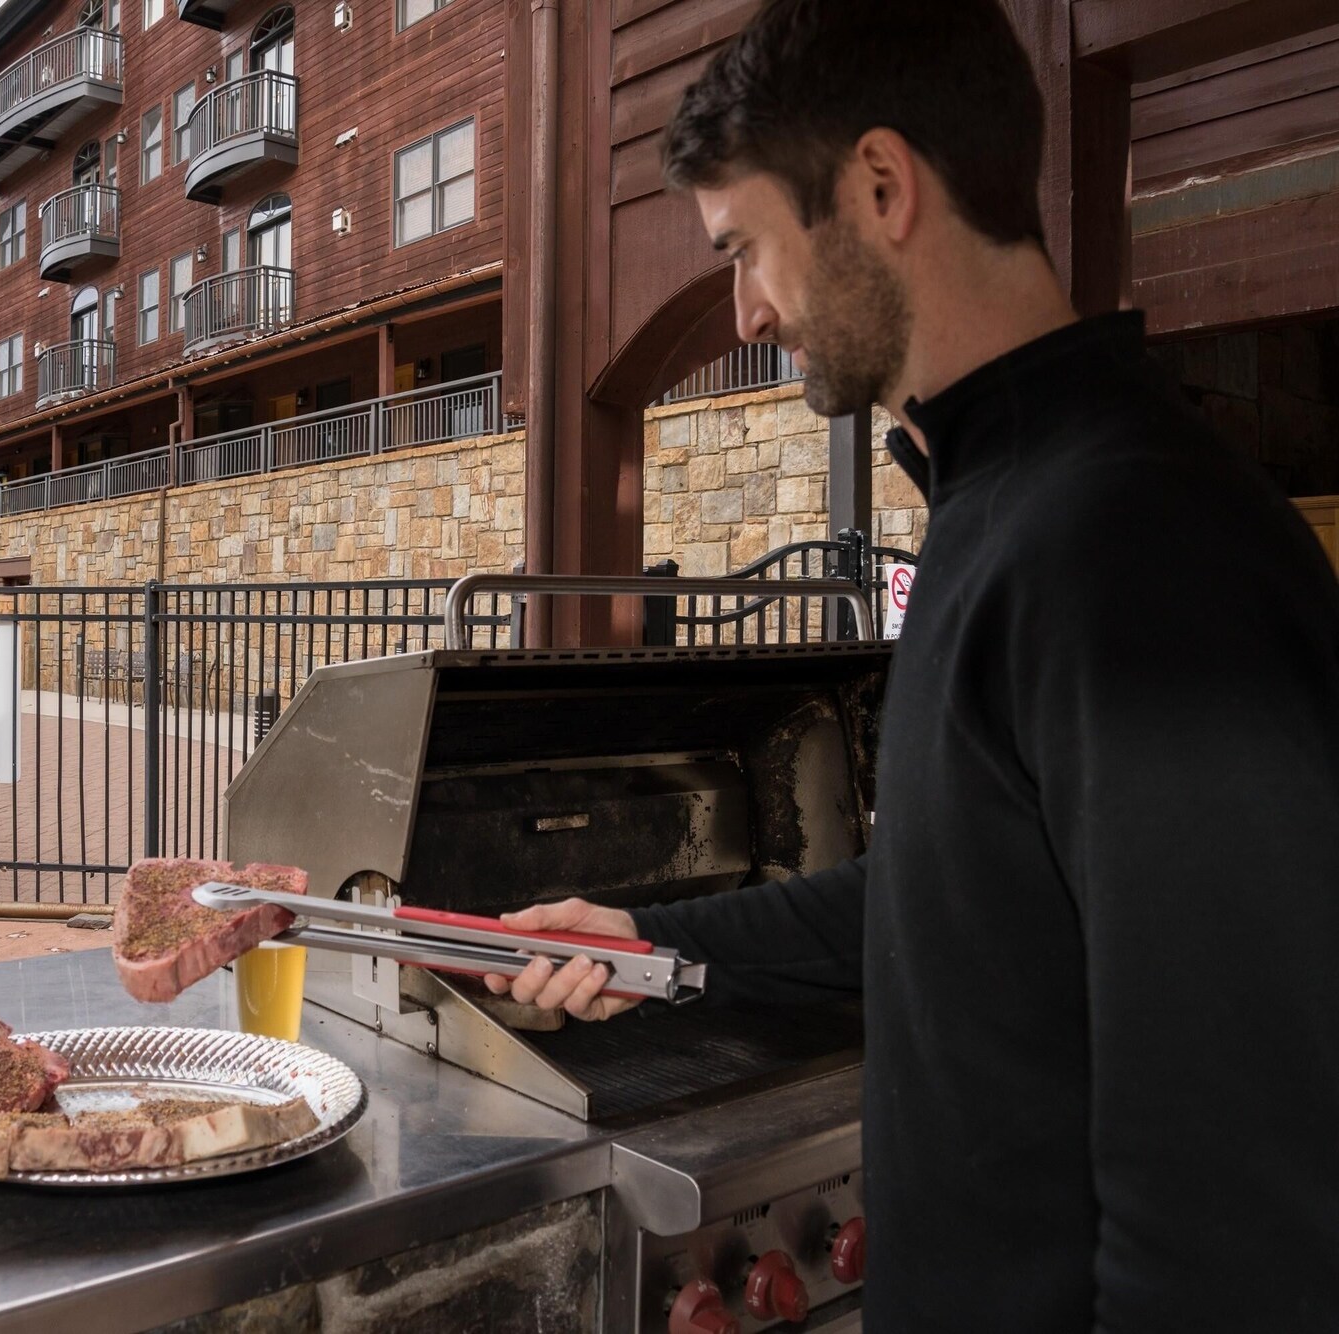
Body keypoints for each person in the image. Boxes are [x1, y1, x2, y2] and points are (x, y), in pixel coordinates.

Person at [483, 1, 1339, 1329]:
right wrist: (651, 937)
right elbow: (946, 899)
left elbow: (1240, 1203)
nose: (748, 310)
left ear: (882, 188)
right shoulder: (1005, 508)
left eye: (750, 248)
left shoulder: (1137, 550)